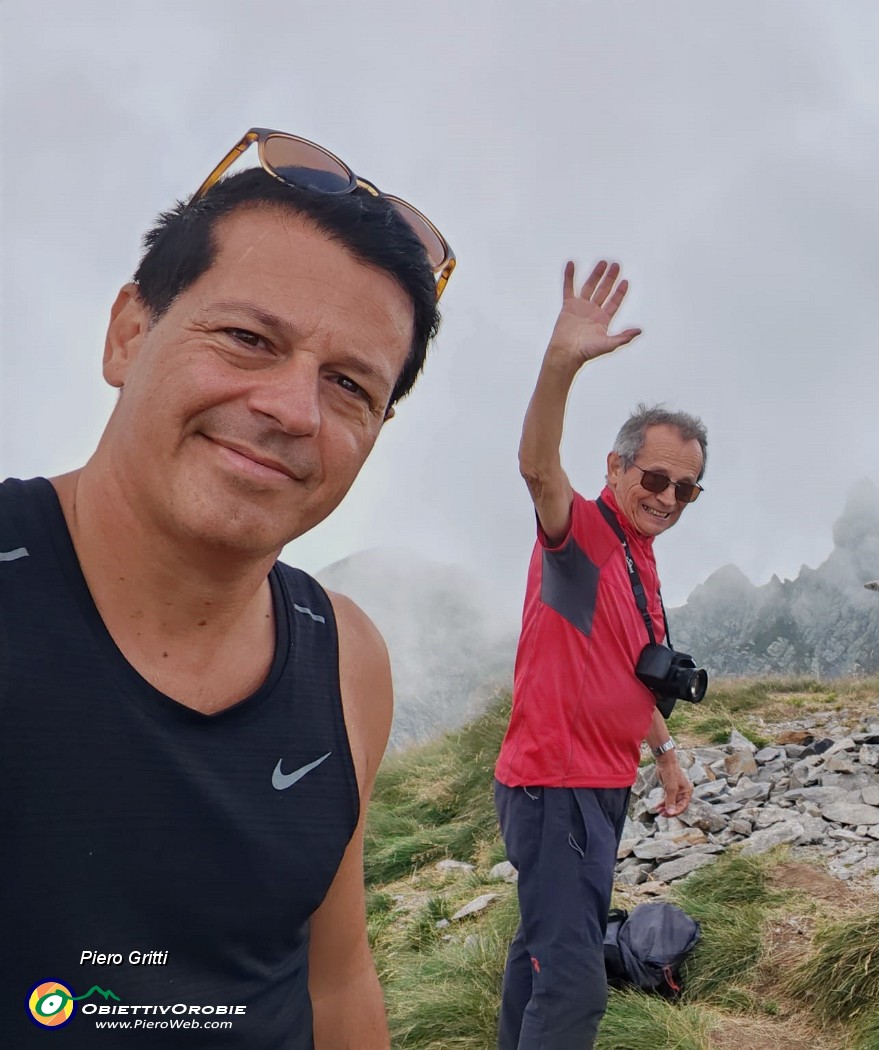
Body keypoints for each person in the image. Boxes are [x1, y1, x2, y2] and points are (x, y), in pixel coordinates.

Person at [0, 128, 453, 1048]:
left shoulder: (346, 657)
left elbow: (337, 980)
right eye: (249, 339)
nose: (293, 410)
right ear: (130, 333)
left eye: (349, 386)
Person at [493, 260, 707, 1049]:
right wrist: (561, 365)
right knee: (578, 983)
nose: (667, 497)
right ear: (615, 468)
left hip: (598, 785)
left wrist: (666, 753)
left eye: (686, 488)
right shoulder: (581, 535)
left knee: (543, 947)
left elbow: (632, 664)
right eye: (654, 476)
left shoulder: (639, 552)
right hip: (557, 787)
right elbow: (536, 468)